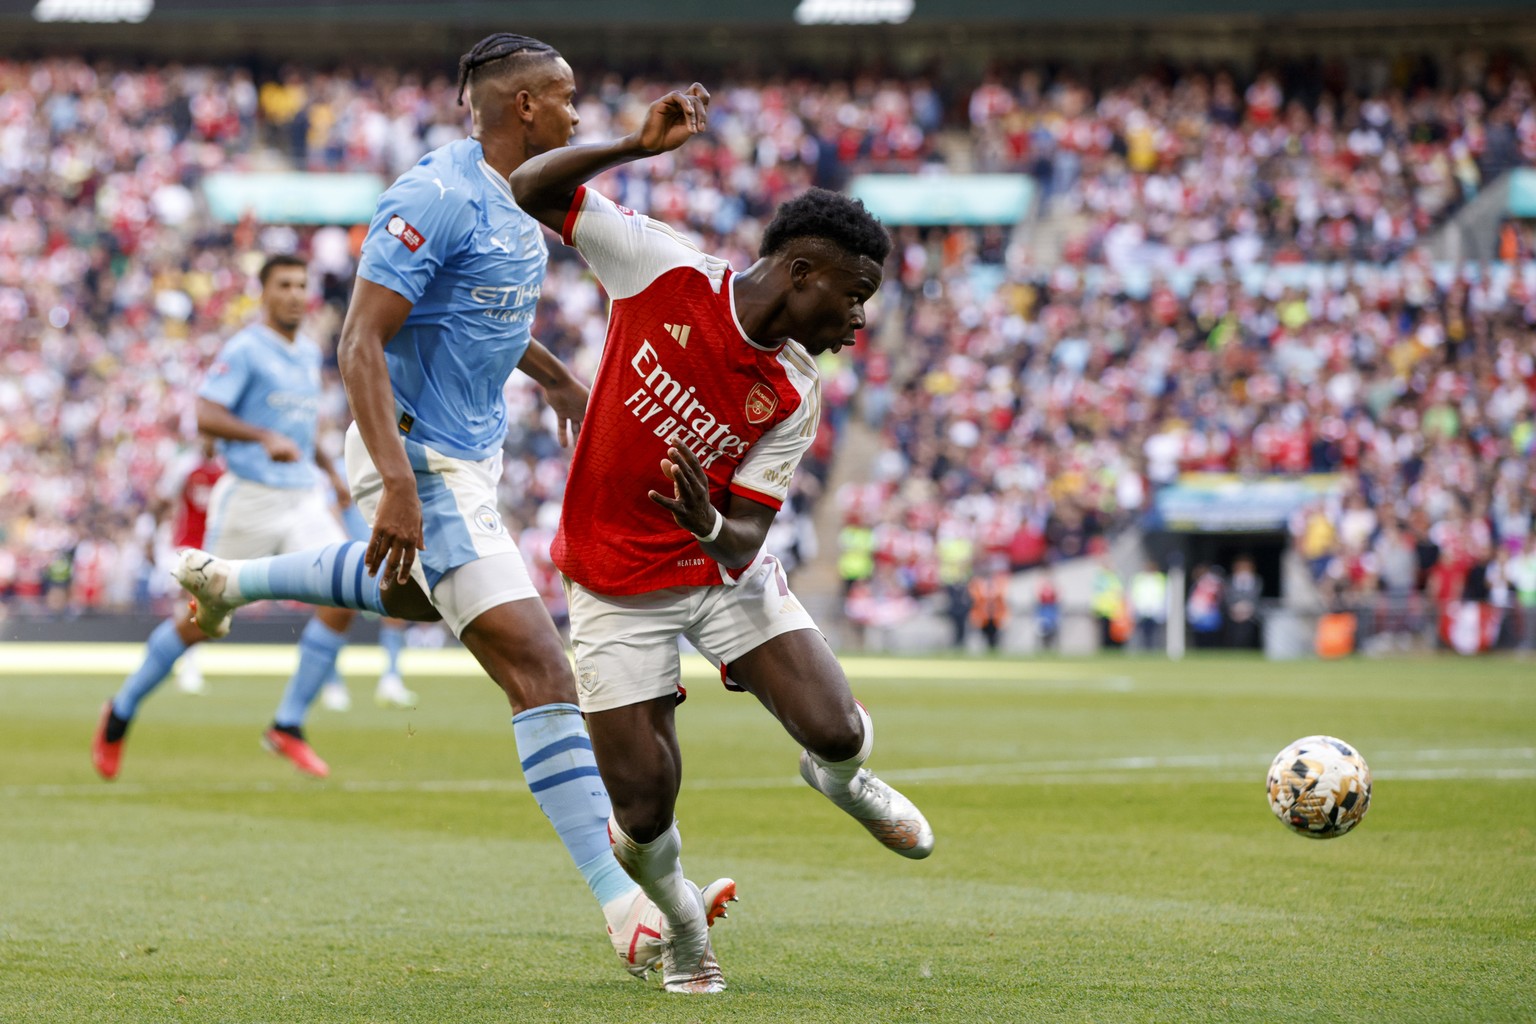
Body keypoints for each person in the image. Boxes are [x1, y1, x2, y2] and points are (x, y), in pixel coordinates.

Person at [170, 34, 729, 985]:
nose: (577, 111)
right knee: (543, 668)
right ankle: (625, 905)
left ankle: (229, 580)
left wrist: (556, 377)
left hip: (470, 458)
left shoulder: (515, 199)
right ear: (523, 108)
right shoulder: (433, 194)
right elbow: (358, 343)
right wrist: (394, 481)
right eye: (567, 98)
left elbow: (482, 315)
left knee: (428, 598)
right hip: (417, 454)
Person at [510, 82, 934, 996]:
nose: (859, 323)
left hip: (713, 573)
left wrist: (705, 518)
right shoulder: (661, 268)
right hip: (615, 582)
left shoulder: (792, 389)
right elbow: (527, 186)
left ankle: (845, 782)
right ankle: (686, 924)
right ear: (801, 273)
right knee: (642, 805)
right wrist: (631, 144)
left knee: (839, 729)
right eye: (853, 298)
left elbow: (743, 539)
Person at [92, 254, 364, 782]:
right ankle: (120, 711)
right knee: (203, 622)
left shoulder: (308, 351)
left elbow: (302, 428)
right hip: (249, 498)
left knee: (349, 590)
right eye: (283, 284)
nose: (293, 293)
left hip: (302, 496)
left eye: (300, 285)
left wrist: (330, 472)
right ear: (263, 293)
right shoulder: (245, 349)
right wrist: (263, 438)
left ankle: (288, 723)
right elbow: (205, 414)